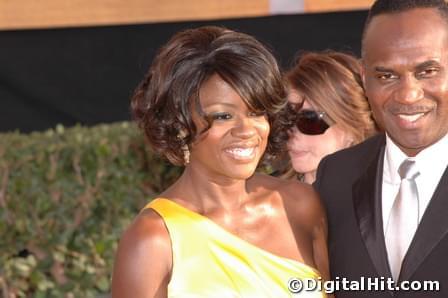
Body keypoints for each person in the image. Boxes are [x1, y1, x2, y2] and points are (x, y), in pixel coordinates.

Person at [112, 26, 329, 297]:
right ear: (179, 123)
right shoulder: (154, 240)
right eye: (223, 116)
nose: (247, 131)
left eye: (256, 112)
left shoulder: (299, 205)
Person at [314, 0, 448, 297]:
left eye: (427, 71)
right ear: (364, 78)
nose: (408, 95)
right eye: (386, 76)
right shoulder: (335, 175)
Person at [283, 51, 377, 183]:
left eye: (310, 120)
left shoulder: (384, 199)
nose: (290, 132)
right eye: (286, 117)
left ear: (352, 128)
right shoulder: (265, 197)